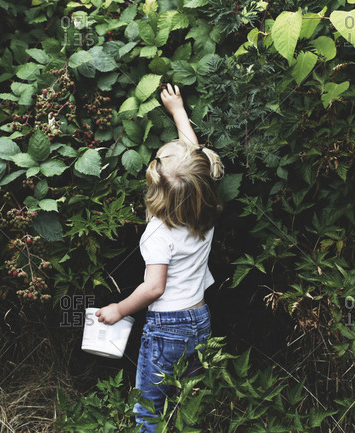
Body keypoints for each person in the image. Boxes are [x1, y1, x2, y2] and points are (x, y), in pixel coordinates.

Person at [95, 83, 224, 432]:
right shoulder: (206, 211)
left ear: (157, 192)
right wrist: (178, 111)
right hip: (200, 319)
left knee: (148, 408)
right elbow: (194, 156)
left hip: (167, 328)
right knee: (187, 401)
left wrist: (118, 309)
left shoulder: (158, 233)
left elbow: (154, 288)